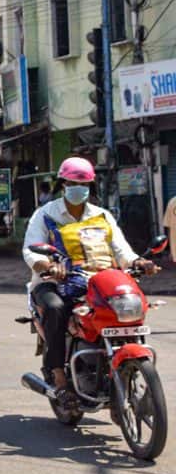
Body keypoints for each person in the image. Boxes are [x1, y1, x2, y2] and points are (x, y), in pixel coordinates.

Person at [23, 156, 157, 411]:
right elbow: (31, 252)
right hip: (52, 282)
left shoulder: (102, 216)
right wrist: (49, 266)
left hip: (97, 280)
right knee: (55, 308)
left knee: (123, 308)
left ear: (90, 187)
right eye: (73, 182)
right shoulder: (45, 214)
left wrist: (139, 262)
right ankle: (60, 379)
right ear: (63, 184)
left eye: (83, 183)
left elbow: (122, 251)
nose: (78, 188)